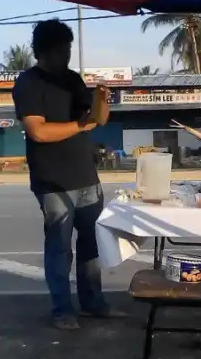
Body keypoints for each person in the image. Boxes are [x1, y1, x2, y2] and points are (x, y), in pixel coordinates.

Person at [12, 19, 126, 330]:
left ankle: (93, 304)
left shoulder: (73, 80)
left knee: (92, 246)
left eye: (69, 49)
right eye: (62, 50)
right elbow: (38, 131)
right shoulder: (28, 83)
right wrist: (80, 125)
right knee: (60, 249)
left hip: (86, 175)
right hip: (53, 181)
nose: (67, 55)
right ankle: (62, 310)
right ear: (43, 52)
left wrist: (102, 99)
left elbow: (97, 120)